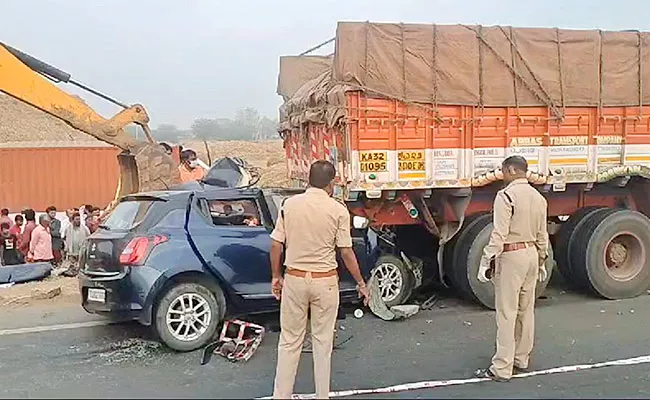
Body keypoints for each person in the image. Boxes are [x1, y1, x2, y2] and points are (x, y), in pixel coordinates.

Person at [270, 160, 371, 399]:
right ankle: (321, 396)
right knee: (322, 344)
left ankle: (280, 396)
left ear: (308, 179)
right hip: (325, 282)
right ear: (332, 183)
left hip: (294, 279)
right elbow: (346, 251)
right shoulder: (337, 210)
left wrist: (276, 276)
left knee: (289, 342)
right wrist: (361, 283)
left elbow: (276, 244)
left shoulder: (289, 205)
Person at [474, 155, 549, 382]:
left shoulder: (506, 196)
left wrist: (486, 260)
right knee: (526, 310)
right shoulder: (539, 198)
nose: (503, 175)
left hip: (512, 255)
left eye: (504, 171)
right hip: (532, 255)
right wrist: (543, 260)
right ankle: (521, 358)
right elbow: (542, 235)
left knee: (507, 312)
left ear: (511, 170)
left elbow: (499, 234)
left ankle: (502, 367)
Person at [62, 212, 90, 277]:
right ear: (73, 220)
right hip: (72, 249)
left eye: (79, 219)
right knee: (72, 263)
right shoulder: (68, 228)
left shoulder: (84, 228)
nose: (78, 221)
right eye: (76, 219)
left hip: (81, 249)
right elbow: (65, 238)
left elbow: (88, 237)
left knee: (81, 262)